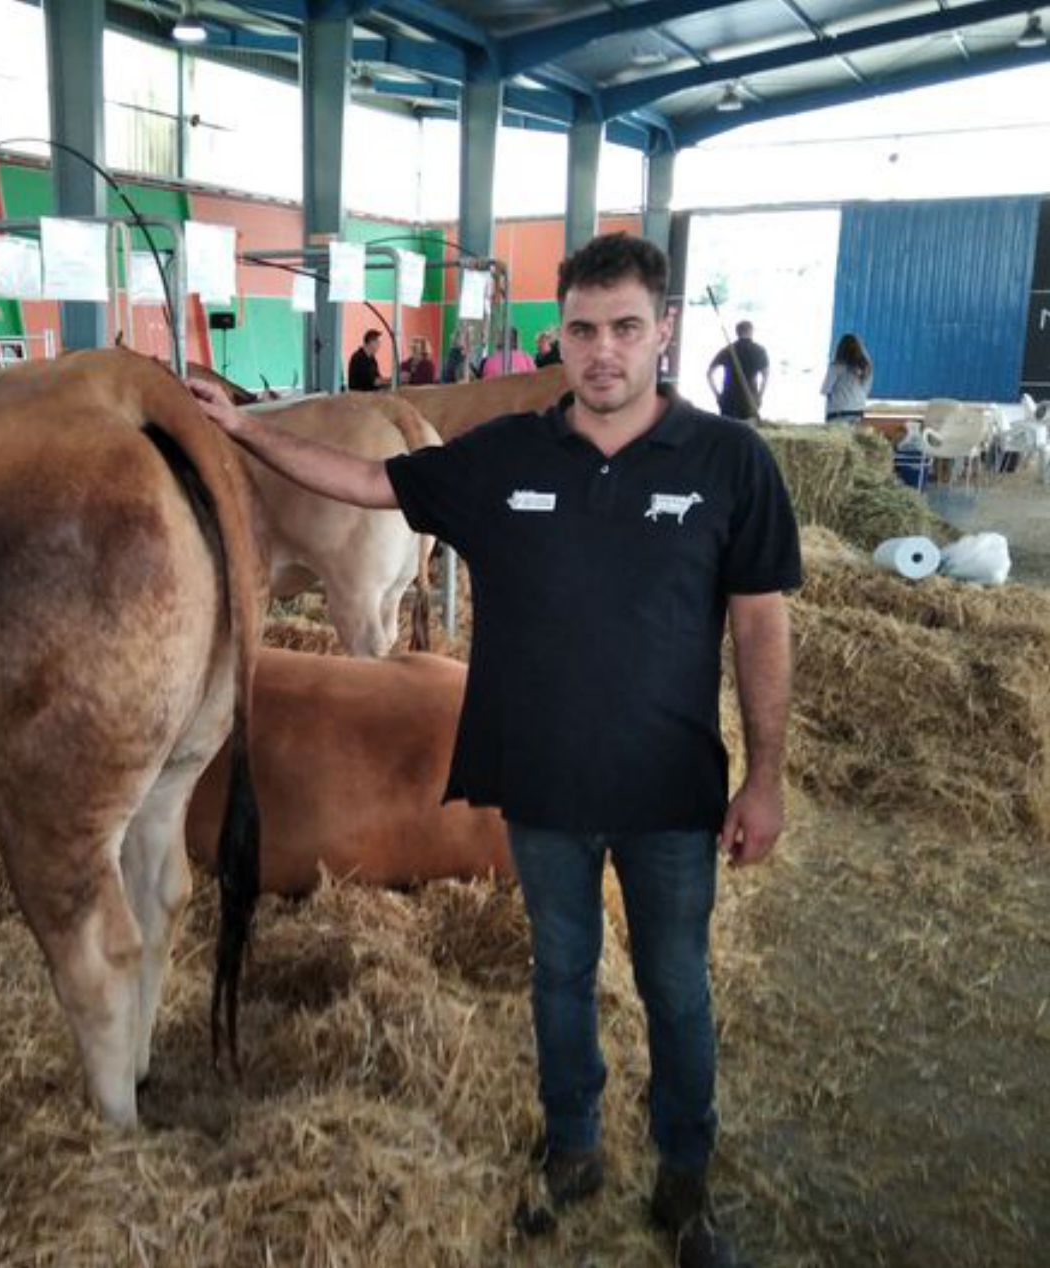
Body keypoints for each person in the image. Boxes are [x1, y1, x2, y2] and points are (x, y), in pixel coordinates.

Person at [189, 232, 800, 1268]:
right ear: (554, 335)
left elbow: (759, 622)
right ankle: (573, 1154)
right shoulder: (511, 451)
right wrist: (248, 429)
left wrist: (767, 777)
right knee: (559, 976)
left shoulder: (728, 461)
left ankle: (684, 1181)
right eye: (580, 329)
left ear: (662, 333)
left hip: (669, 789)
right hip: (541, 787)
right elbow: (373, 482)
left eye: (623, 328)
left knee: (676, 986)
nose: (601, 350)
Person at [706, 320, 769, 421]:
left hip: (728, 399)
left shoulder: (727, 350)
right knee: (745, 434)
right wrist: (759, 396)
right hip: (749, 399)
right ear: (751, 331)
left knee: (728, 434)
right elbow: (765, 376)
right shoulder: (759, 351)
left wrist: (717, 395)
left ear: (737, 332)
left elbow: (709, 374)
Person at [820, 333, 873, 423]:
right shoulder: (865, 368)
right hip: (858, 410)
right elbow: (866, 390)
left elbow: (825, 390)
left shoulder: (836, 367)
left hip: (838, 412)